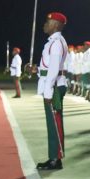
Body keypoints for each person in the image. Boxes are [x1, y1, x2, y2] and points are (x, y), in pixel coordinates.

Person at [34, 12, 69, 170]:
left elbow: (54, 70)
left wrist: (48, 93)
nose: (45, 24)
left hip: (54, 87)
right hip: (52, 85)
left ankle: (56, 159)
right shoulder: (54, 42)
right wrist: (36, 69)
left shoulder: (56, 43)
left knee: (55, 123)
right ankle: (53, 156)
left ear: (55, 25)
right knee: (52, 122)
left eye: (48, 22)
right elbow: (48, 67)